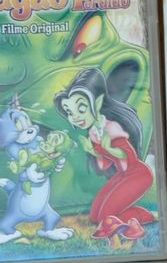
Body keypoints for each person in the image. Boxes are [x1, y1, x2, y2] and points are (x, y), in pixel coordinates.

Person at [54, 67, 155, 240]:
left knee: (105, 217)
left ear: (98, 102)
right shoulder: (94, 131)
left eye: (81, 108)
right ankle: (141, 215)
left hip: (138, 174)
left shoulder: (111, 127)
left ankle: (135, 221)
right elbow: (105, 164)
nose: (75, 117)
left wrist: (107, 148)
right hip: (123, 174)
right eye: (70, 112)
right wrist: (93, 151)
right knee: (95, 216)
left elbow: (129, 158)